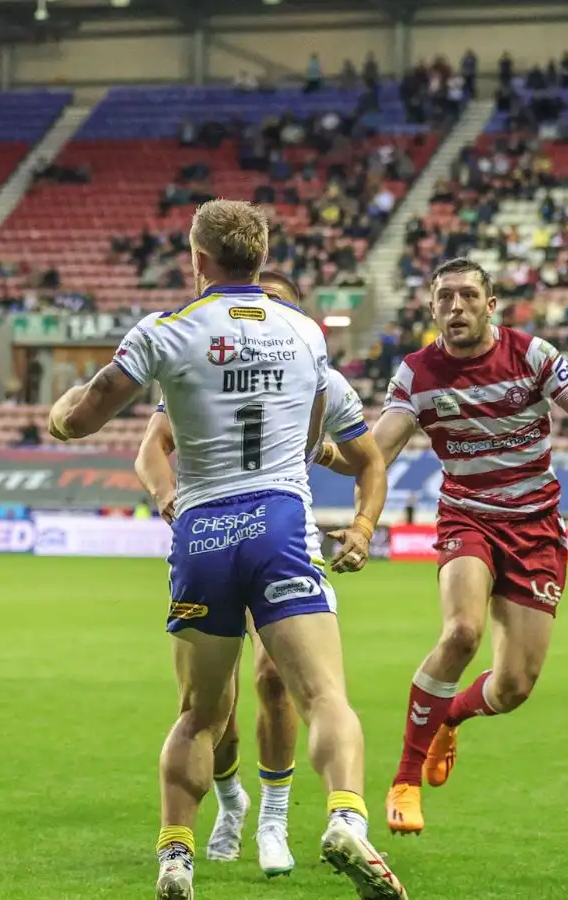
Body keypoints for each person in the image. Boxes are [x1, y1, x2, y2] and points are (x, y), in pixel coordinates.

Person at [50, 200, 406, 900]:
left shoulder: (167, 331)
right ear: (261, 254)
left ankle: (176, 857)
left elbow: (88, 413)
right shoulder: (306, 334)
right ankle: (344, 817)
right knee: (324, 694)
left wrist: (63, 416)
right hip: (279, 523)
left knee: (199, 713)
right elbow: (318, 439)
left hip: (203, 531)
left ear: (197, 258)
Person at [321, 257, 568, 836]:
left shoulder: (532, 356)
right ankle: (403, 780)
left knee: (514, 686)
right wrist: (334, 467)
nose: (456, 307)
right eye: (445, 298)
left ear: (491, 304)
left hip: (536, 529)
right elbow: (377, 453)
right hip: (468, 518)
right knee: (462, 633)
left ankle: (451, 715)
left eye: (468, 296)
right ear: (432, 309)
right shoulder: (416, 374)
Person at [134, 269, 388, 878]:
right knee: (207, 706)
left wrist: (362, 526)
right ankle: (228, 802)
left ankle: (273, 820)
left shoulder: (316, 375)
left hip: (272, 534)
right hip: (217, 533)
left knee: (278, 680)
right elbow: (151, 447)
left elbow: (367, 459)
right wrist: (168, 497)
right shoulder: (205, 365)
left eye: (275, 307)